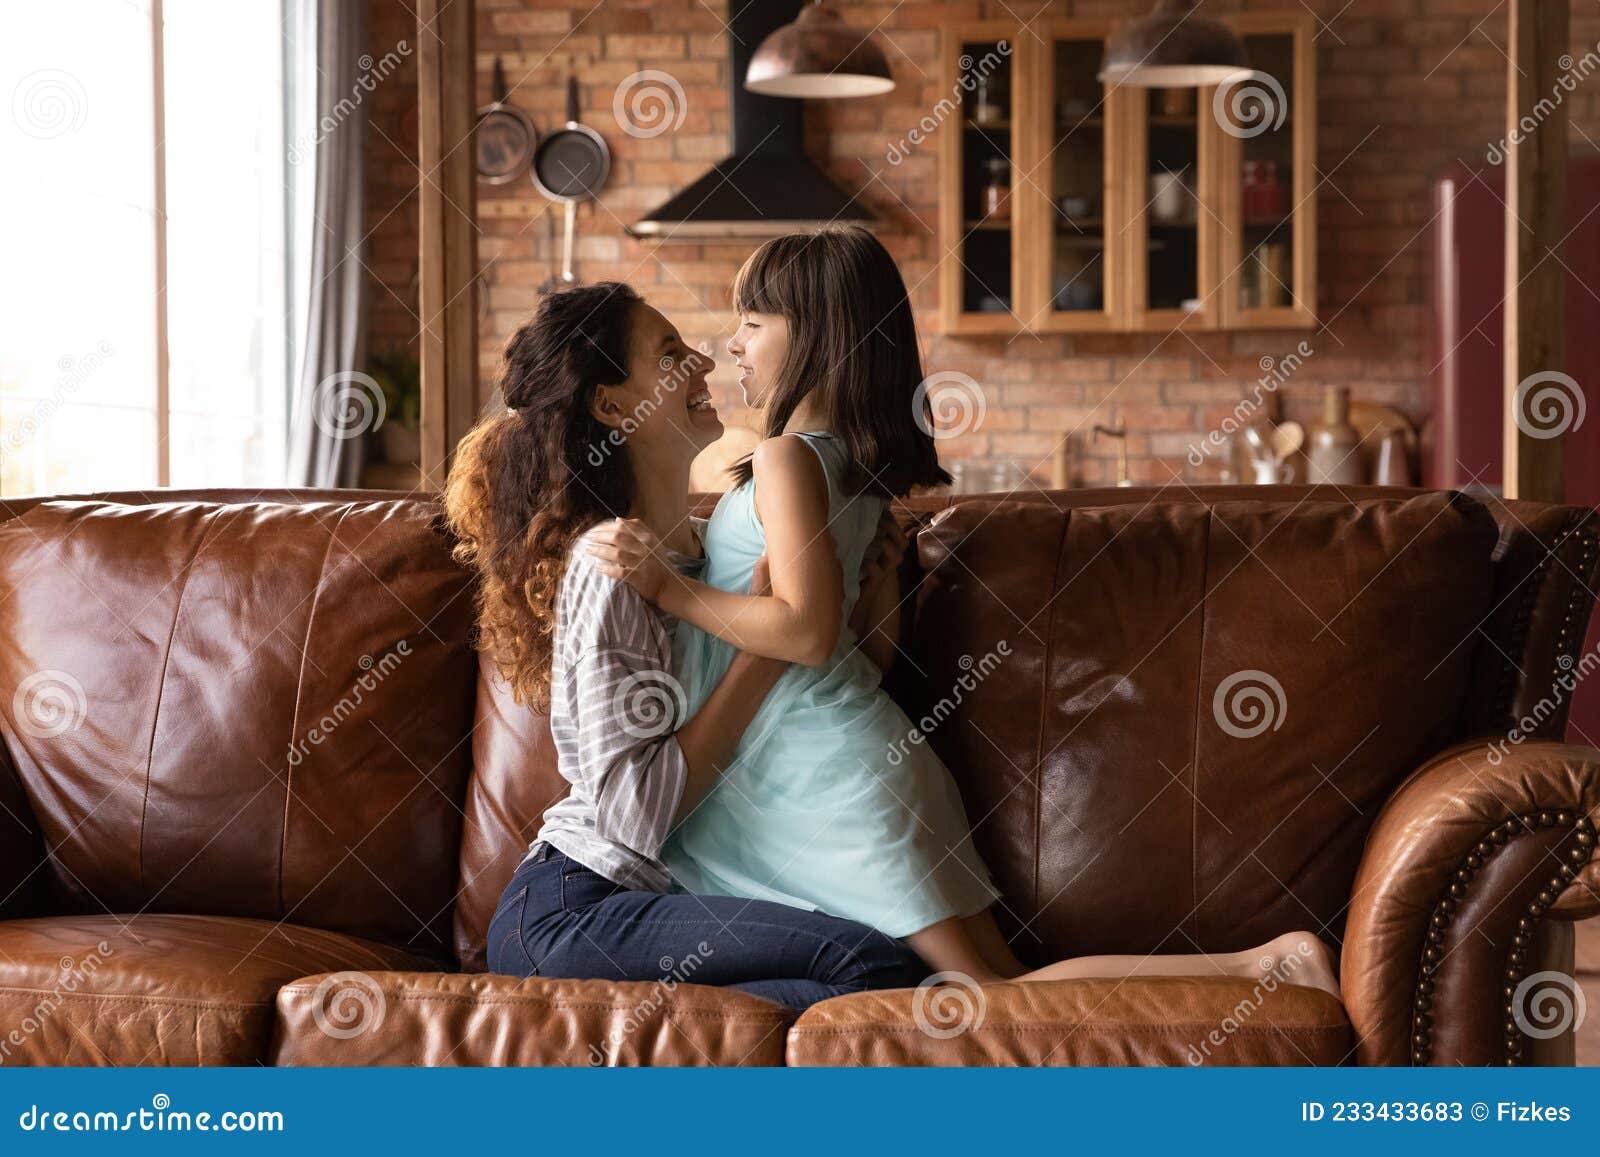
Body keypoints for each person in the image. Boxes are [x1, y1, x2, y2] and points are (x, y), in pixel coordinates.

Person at [587, 228, 1340, 997]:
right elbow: (865, 654)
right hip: (848, 752)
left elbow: (808, 634)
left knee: (990, 989)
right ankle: (1264, 967)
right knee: (997, 979)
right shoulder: (853, 472)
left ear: (813, 332)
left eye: (753, 322)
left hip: (822, 773)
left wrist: (669, 588)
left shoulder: (786, 459)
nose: (734, 345)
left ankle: (1263, 966)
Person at [443, 280, 929, 1012]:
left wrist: (875, 588)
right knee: (869, 968)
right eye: (670, 353)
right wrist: (763, 658)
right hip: (579, 907)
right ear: (612, 407)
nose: (703, 359)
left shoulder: (705, 558)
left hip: (669, 895)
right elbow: (632, 818)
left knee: (879, 970)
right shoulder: (611, 566)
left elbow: (817, 691)